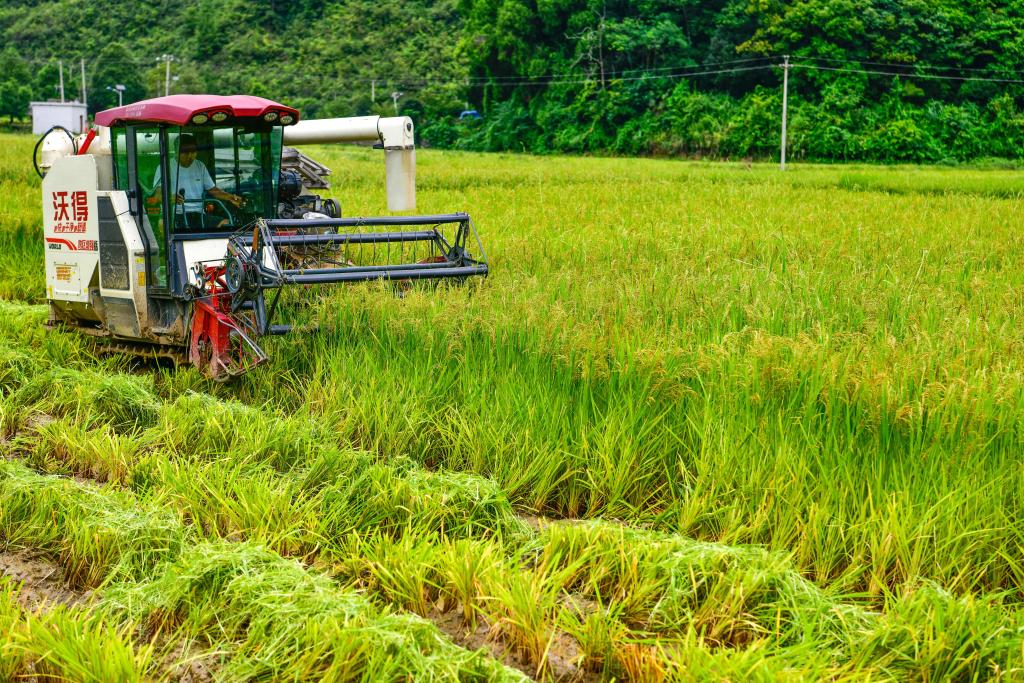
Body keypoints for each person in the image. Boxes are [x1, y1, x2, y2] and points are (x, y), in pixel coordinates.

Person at [152, 134, 243, 228]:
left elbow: (212, 190)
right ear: (176, 151)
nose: (190, 156)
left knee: (226, 223)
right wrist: (171, 198)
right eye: (186, 153)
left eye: (193, 152)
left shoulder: (200, 166)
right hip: (176, 215)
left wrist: (230, 197)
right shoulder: (165, 167)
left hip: (199, 215)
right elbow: (158, 195)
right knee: (162, 224)